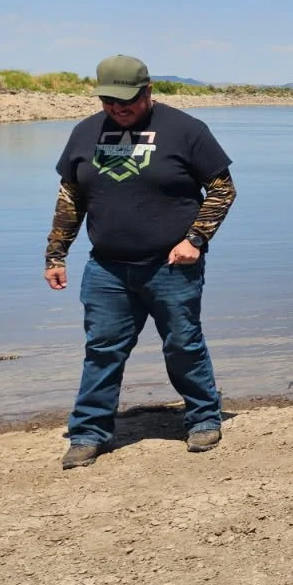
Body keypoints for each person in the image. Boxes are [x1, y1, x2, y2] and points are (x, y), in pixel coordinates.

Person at [45, 56, 237, 469]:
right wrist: (56, 254)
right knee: (102, 349)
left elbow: (222, 190)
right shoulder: (84, 133)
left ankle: (203, 417)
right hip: (106, 268)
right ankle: (88, 432)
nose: (118, 109)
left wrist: (195, 239)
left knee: (183, 344)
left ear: (148, 91)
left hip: (172, 265)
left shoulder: (186, 130)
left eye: (127, 101)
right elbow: (70, 199)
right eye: (109, 101)